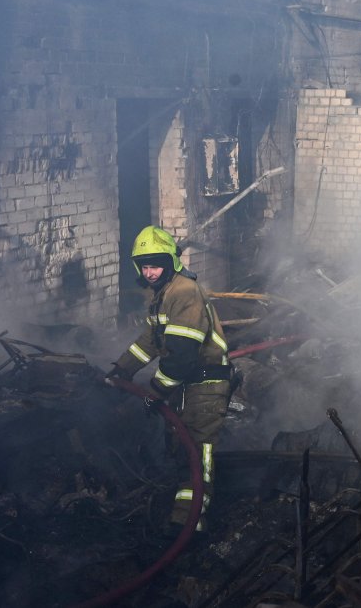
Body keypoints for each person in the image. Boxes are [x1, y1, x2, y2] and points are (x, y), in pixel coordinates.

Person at [106, 225, 231, 531]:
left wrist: (156, 389)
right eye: (144, 266)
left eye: (156, 266)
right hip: (188, 386)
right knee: (180, 448)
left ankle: (189, 524)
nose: (149, 273)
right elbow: (151, 340)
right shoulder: (163, 294)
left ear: (170, 262)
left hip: (205, 385)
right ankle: (181, 512)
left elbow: (182, 356)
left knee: (196, 451)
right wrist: (122, 369)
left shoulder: (184, 292)